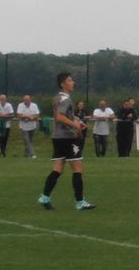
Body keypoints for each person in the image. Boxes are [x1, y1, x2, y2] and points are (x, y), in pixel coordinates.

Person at [37, 71, 95, 211]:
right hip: (68, 138)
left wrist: (77, 121)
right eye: (70, 80)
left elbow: (63, 115)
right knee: (77, 168)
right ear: (63, 84)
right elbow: (59, 116)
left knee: (57, 169)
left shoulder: (58, 97)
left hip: (57, 137)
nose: (73, 82)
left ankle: (44, 197)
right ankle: (80, 202)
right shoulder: (66, 99)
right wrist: (75, 125)